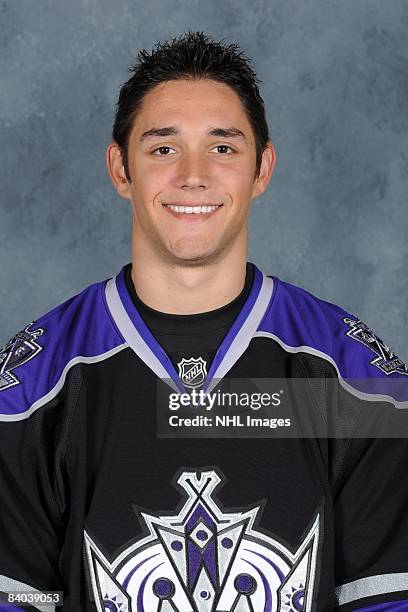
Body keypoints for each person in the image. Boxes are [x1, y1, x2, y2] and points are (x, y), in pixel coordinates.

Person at [0, 30, 407, 612]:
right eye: (163, 148)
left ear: (262, 168)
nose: (193, 175)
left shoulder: (361, 381)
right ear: (121, 169)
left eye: (223, 148)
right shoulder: (29, 388)